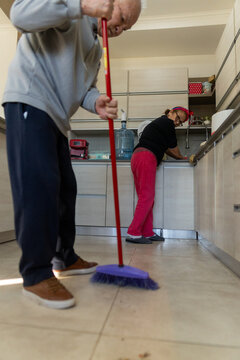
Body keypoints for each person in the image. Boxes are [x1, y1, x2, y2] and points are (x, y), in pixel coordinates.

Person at [1, 0, 142, 309]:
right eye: (122, 17)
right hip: (30, 100)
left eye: (126, 28)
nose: (120, 28)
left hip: (55, 118)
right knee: (39, 188)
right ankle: (36, 274)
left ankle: (64, 258)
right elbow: (21, 15)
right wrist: (80, 5)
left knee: (66, 189)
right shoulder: (72, 11)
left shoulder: (94, 49)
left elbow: (84, 90)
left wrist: (97, 103)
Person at [126, 106, 192, 244]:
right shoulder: (167, 123)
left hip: (138, 157)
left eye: (181, 122)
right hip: (146, 157)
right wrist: (181, 157)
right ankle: (133, 232)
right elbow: (174, 148)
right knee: (147, 197)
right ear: (170, 113)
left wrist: (179, 157)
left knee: (147, 198)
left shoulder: (159, 124)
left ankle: (147, 232)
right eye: (178, 118)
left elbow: (166, 149)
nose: (178, 123)